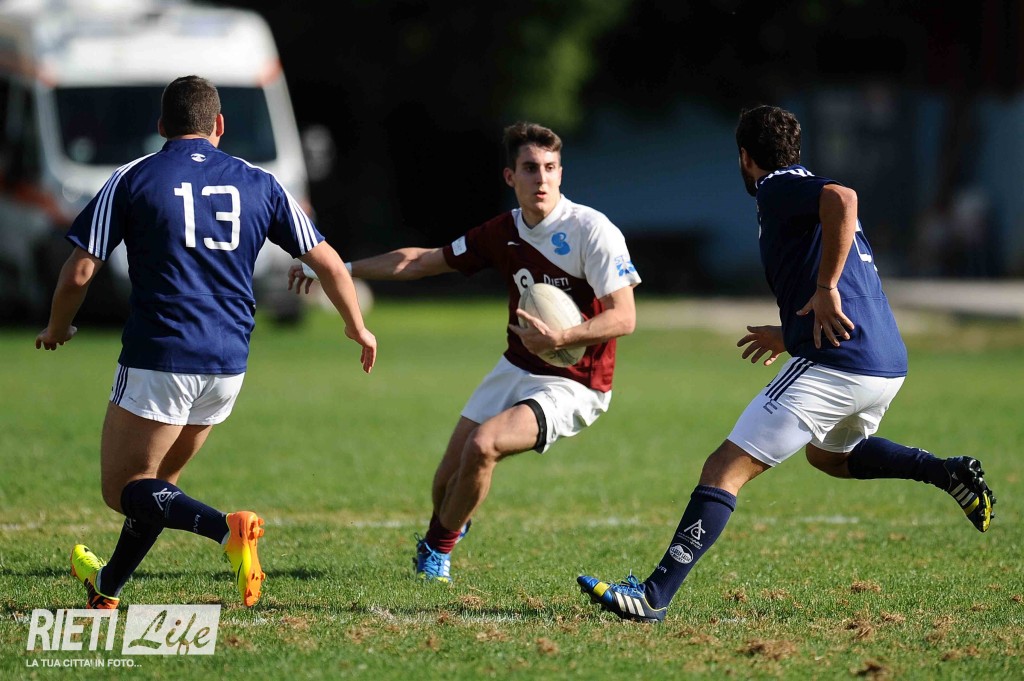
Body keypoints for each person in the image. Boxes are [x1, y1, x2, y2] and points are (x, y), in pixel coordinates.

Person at [577, 104, 996, 623]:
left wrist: (824, 289)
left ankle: (653, 596)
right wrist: (791, 331)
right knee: (831, 457)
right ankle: (946, 471)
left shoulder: (776, 187)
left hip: (839, 361)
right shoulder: (799, 189)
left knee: (724, 468)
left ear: (745, 158)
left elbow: (844, 199)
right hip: (884, 361)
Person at [35, 75, 377, 609]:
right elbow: (328, 262)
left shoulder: (133, 177)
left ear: (161, 126)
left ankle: (226, 530)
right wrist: (356, 325)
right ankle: (107, 587)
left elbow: (79, 272)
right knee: (160, 487)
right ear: (219, 124)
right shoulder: (261, 182)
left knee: (122, 489)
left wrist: (57, 328)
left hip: (161, 354)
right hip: (228, 362)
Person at [289, 121, 642, 583]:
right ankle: (453, 522)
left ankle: (436, 552)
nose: (541, 178)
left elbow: (624, 318)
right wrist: (338, 268)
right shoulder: (503, 231)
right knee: (444, 486)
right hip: (518, 364)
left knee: (483, 445)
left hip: (575, 380)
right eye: (530, 168)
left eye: (550, 167)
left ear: (561, 173)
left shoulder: (591, 231)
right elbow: (422, 260)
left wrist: (560, 339)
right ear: (510, 177)